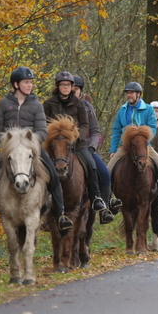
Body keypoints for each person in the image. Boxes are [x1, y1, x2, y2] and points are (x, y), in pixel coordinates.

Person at [0, 67, 73, 237]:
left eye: (31, 82)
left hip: (32, 150)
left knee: (53, 175)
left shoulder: (36, 105)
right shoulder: (4, 104)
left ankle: (61, 215)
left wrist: (28, 142)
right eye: (26, 82)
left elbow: (42, 131)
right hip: (10, 150)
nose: (30, 85)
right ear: (16, 84)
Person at [43, 71, 110, 220]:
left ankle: (97, 199)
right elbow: (44, 123)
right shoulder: (49, 104)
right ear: (58, 86)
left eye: (68, 85)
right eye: (62, 85)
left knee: (91, 165)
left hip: (76, 144)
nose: (65, 87)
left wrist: (76, 136)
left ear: (72, 87)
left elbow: (85, 124)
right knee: (40, 166)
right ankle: (42, 203)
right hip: (54, 145)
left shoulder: (79, 104)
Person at [107, 82, 158, 214]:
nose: (129, 95)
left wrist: (144, 140)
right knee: (108, 170)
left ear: (138, 94)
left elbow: (152, 127)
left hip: (144, 145)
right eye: (127, 93)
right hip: (126, 146)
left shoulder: (147, 109)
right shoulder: (122, 110)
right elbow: (116, 130)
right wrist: (113, 150)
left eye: (131, 92)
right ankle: (111, 199)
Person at [72, 74, 119, 223]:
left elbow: (95, 131)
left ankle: (103, 208)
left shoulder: (87, 107)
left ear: (80, 91)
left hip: (84, 147)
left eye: (76, 89)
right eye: (71, 89)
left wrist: (92, 147)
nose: (73, 92)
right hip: (63, 148)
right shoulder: (58, 105)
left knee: (104, 173)